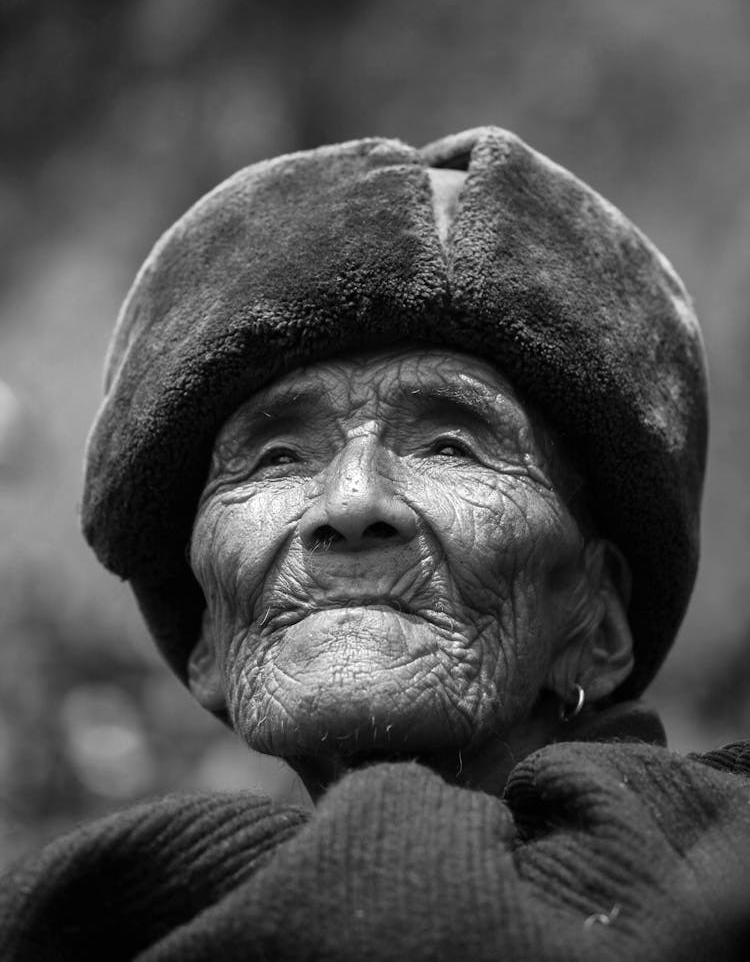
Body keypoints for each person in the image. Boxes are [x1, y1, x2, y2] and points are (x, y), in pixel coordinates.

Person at [2, 126, 749, 960]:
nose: (352, 501)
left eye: (450, 446)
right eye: (276, 456)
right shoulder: (85, 917)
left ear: (599, 619)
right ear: (211, 638)